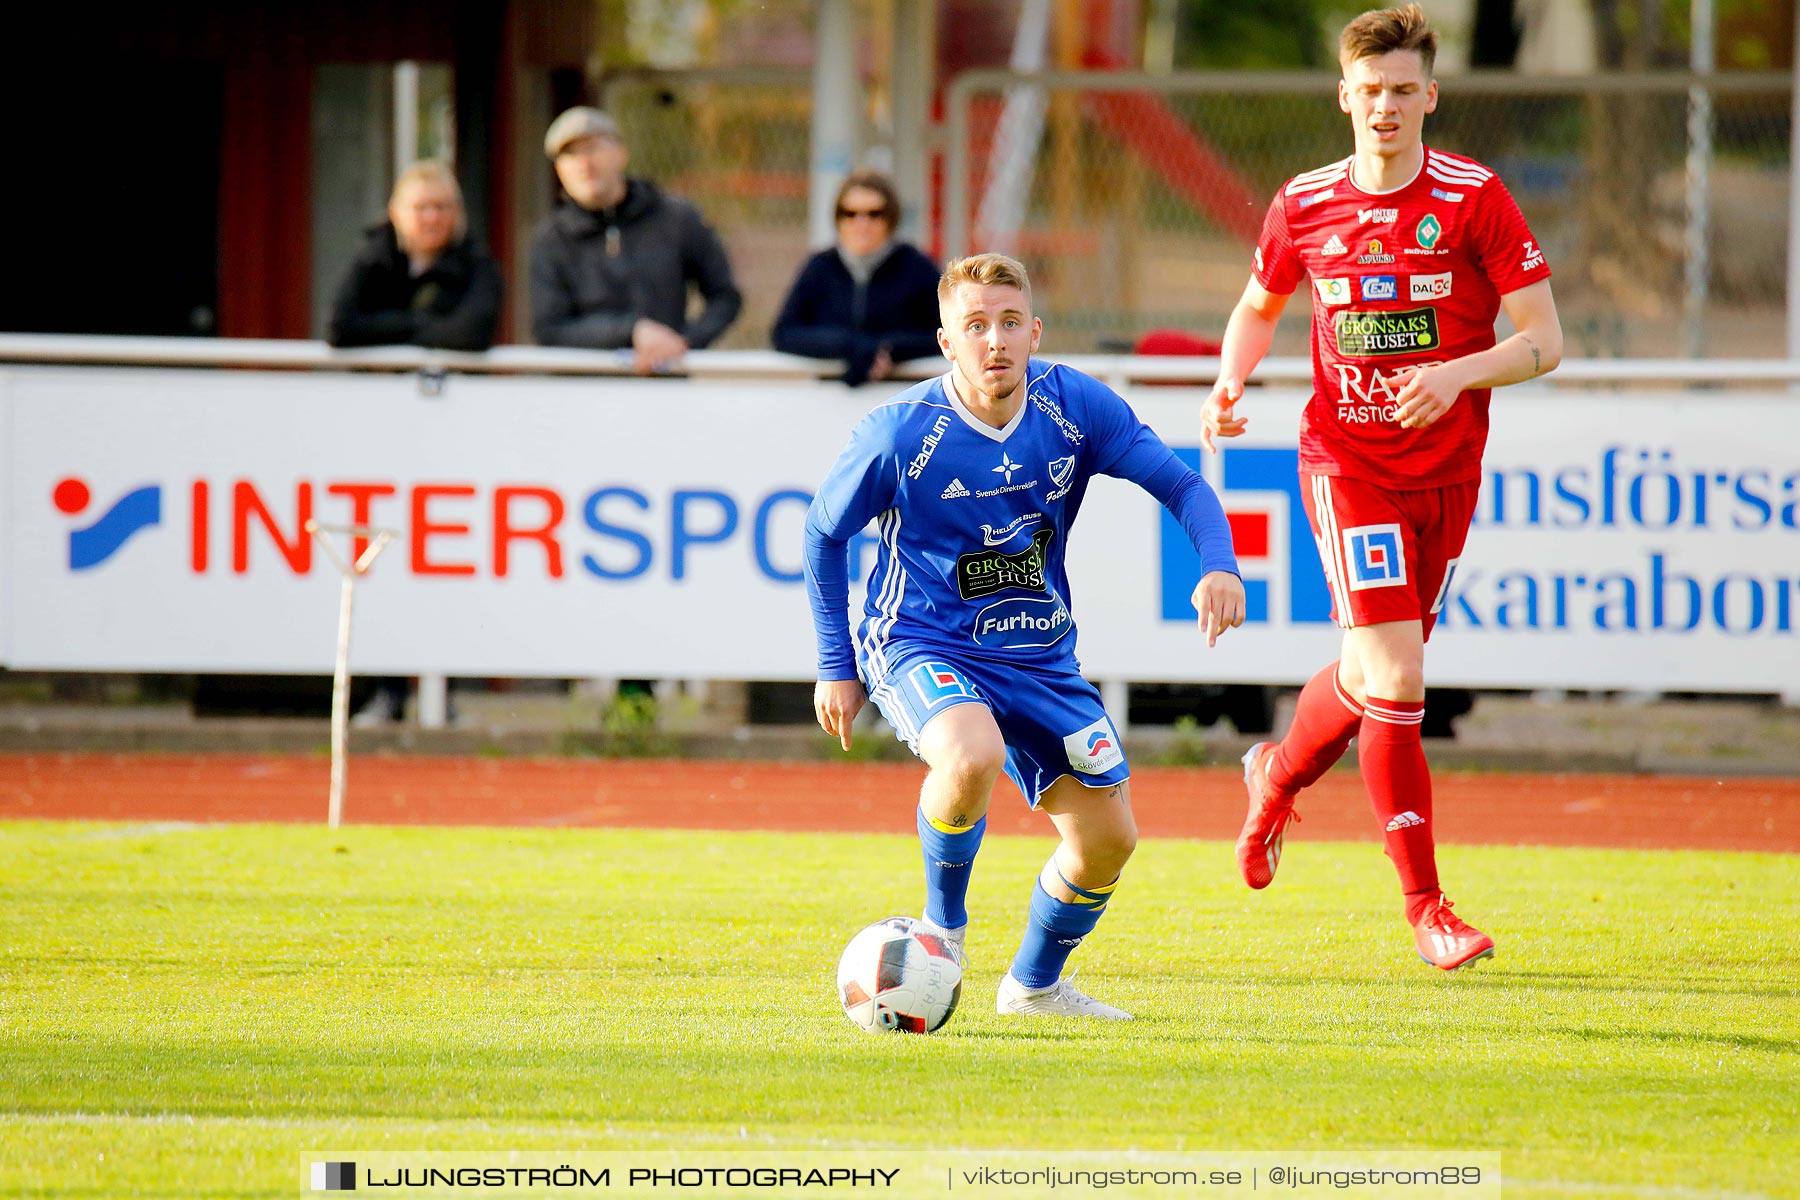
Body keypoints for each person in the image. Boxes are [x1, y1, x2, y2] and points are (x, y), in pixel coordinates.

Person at [1200, 4, 1562, 970]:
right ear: (1344, 98)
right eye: (1370, 92)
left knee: (1369, 682)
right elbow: (1256, 304)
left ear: (1431, 96)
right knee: (1399, 679)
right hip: (1344, 465)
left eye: (1404, 91)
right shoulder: (1306, 201)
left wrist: (1456, 372)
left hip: (1444, 475)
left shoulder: (1477, 198)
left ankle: (1274, 776)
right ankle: (1428, 910)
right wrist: (1230, 379)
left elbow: (1545, 341)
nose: (1387, 108)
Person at [806, 253, 1245, 1019]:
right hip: (921, 638)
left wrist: (1220, 566)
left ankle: (1034, 988)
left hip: (1040, 654)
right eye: (974, 326)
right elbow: (821, 535)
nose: (995, 341)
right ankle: (943, 929)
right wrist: (836, 664)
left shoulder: (1073, 407)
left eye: (1010, 322)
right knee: (971, 754)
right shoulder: (900, 433)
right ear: (946, 342)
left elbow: (1183, 485)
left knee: (1108, 840)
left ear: (1035, 331)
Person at [530, 106, 741, 374]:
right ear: (559, 169)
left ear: (620, 154)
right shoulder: (552, 239)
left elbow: (724, 297)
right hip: (584, 393)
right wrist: (632, 332)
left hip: (662, 386)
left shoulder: (675, 218)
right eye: (571, 154)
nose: (585, 163)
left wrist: (681, 343)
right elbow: (550, 328)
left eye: (593, 148)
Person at [772, 170, 941, 386]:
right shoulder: (820, 268)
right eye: (850, 213)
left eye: (874, 213)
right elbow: (785, 333)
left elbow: (948, 334)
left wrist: (888, 348)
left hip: (902, 393)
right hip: (832, 392)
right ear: (838, 218)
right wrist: (848, 346)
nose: (862, 223)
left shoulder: (916, 268)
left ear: (890, 218)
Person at [327, 160, 501, 351]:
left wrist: (387, 329)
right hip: (378, 381)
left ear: (457, 212)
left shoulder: (476, 262)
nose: (432, 218)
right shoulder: (374, 259)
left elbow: (472, 332)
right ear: (395, 213)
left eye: (441, 207)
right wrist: (416, 323)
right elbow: (341, 327)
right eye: (420, 207)